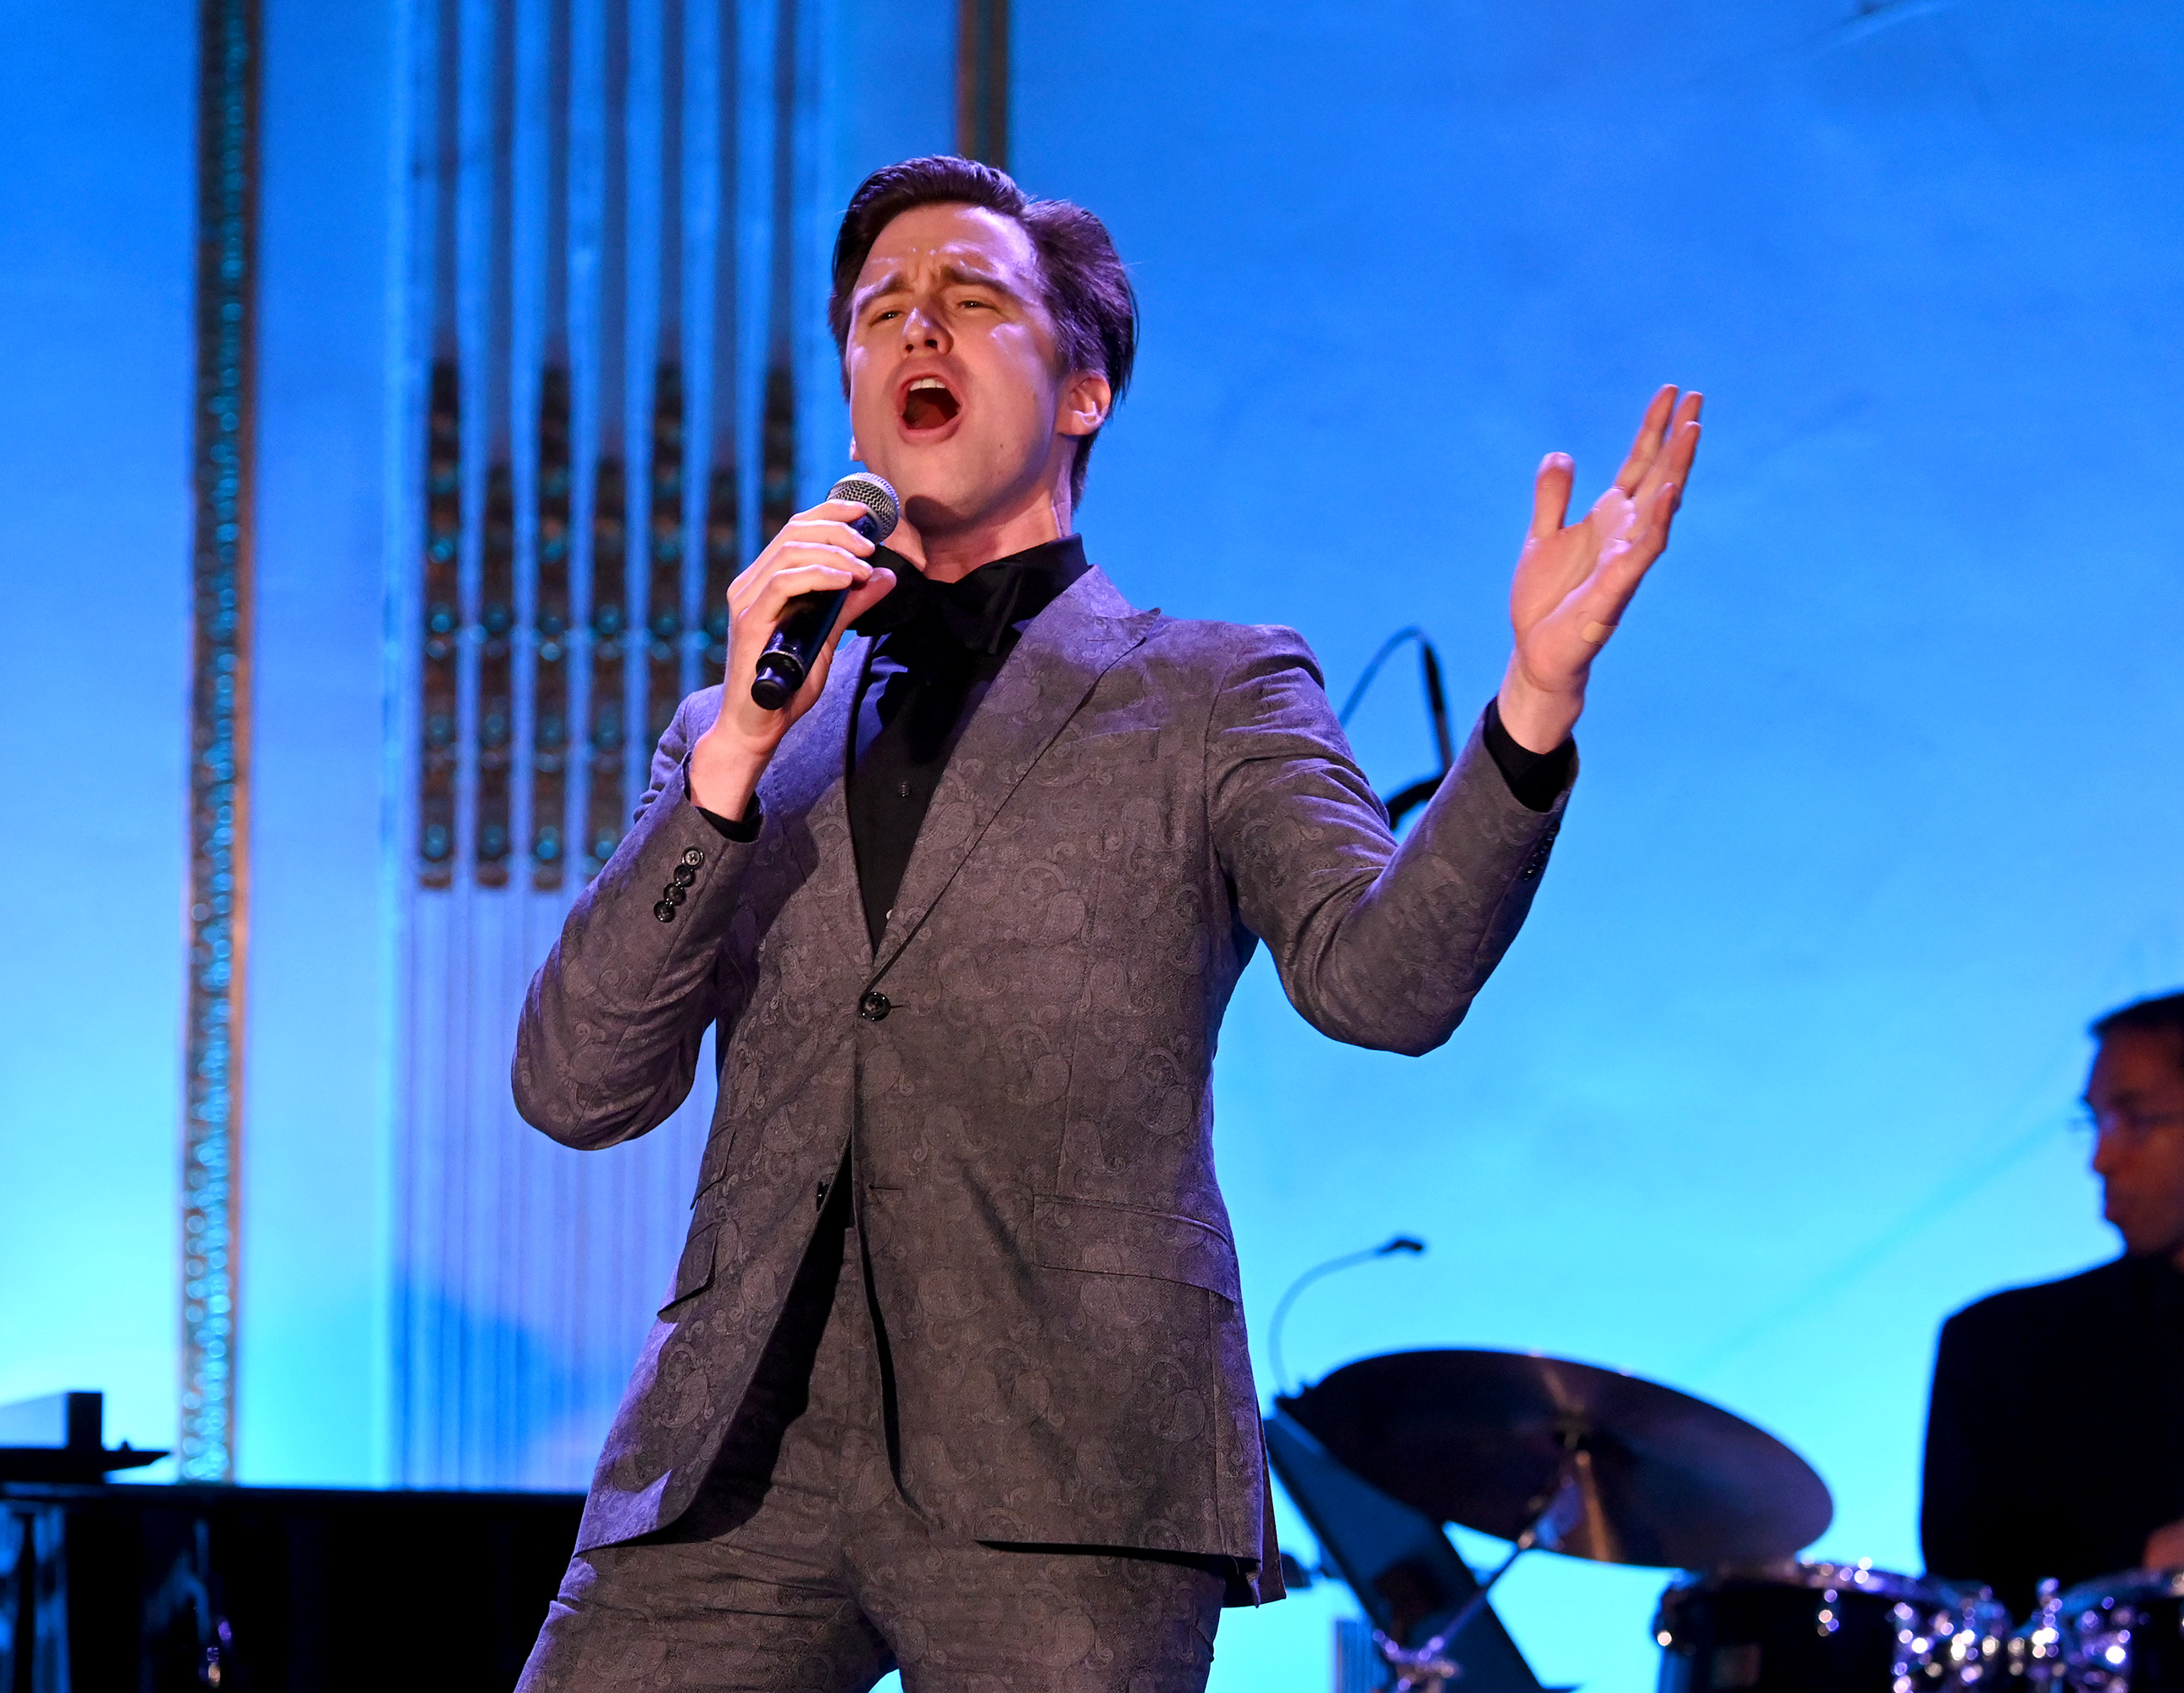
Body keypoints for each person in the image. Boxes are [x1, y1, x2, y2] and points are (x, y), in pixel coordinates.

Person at [510, 155, 1699, 1692]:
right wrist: (734, 755)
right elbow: (576, 1086)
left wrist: (1532, 705)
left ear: (1082, 390)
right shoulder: (737, 723)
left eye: (971, 299)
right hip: (737, 1447)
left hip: (1074, 1449)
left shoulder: (1216, 687)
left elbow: (1382, 981)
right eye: (881, 314)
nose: (917, 332)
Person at [1922, 991, 2184, 1617]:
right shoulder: (2005, 1349)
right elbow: (1976, 1602)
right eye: (2094, 1123)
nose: (2101, 1158)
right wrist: (2145, 1566)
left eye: (2136, 1119)